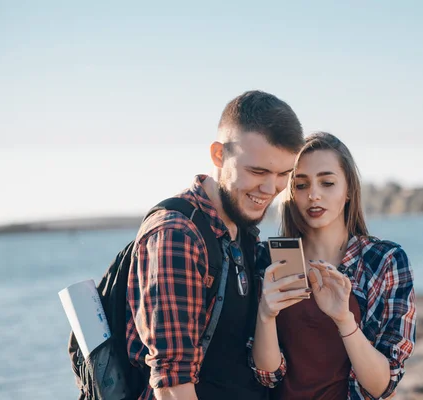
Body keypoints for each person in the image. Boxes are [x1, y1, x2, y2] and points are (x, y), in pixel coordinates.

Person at [126, 90, 304, 400]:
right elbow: (171, 386)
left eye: (282, 175)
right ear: (218, 155)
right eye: (257, 171)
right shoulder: (177, 235)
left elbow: (256, 367)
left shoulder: (243, 231)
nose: (270, 188)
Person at [251, 132, 417, 399]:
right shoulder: (266, 259)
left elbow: (382, 386)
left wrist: (344, 319)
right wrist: (266, 315)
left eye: (327, 183)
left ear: (349, 189)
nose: (314, 195)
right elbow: (267, 375)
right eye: (301, 185)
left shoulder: (384, 260)